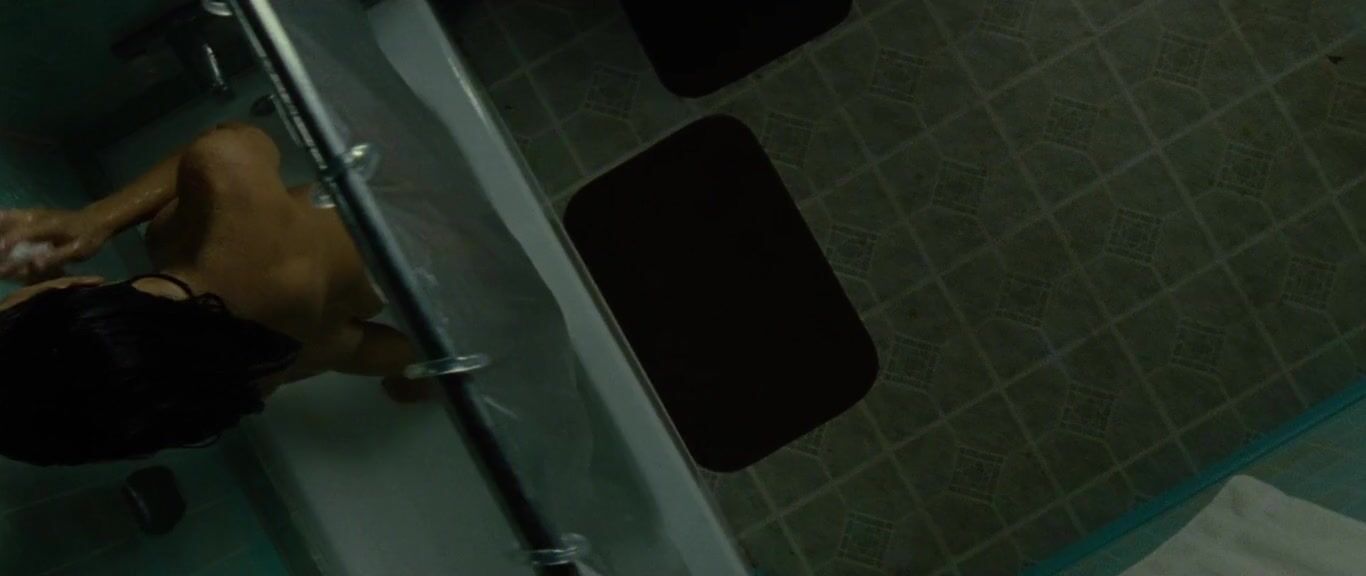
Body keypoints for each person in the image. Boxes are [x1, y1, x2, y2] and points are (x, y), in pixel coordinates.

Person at [0, 122, 424, 467]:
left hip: (324, 311)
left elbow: (92, 381)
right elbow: (239, 140)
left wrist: (59, 285)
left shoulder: (223, 378)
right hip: (409, 227)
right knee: (335, 326)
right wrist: (97, 218)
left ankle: (419, 371)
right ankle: (423, 370)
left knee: (341, 347)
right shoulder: (227, 219)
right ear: (82, 287)